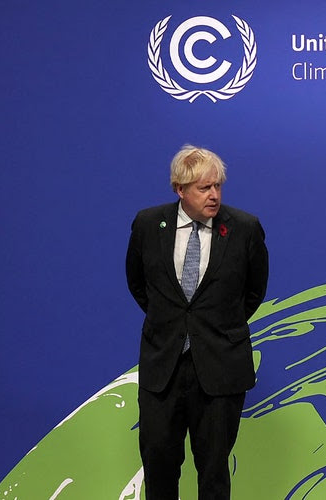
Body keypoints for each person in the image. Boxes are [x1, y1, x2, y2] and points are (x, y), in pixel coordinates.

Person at [126, 145, 269, 499]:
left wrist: (214, 327)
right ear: (180, 189)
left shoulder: (245, 228)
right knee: (158, 463)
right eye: (204, 188)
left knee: (214, 470)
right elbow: (138, 284)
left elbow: (254, 292)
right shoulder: (148, 224)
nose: (214, 196)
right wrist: (175, 325)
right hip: (164, 369)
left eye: (218, 186)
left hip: (221, 368)